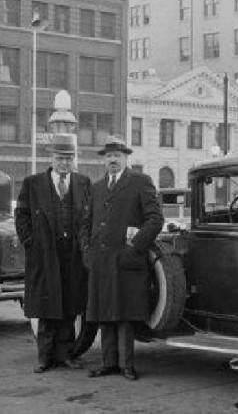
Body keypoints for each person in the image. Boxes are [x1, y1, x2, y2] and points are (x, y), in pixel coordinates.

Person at [80, 135, 163, 381]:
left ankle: (127, 365)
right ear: (103, 161)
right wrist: (86, 250)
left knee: (125, 314)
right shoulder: (96, 188)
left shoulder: (140, 182)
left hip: (128, 260)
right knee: (105, 312)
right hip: (101, 262)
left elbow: (155, 219)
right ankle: (109, 364)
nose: (112, 160)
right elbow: (85, 223)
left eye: (117, 155)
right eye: (108, 156)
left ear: (126, 158)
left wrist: (135, 247)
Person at [14, 134, 91, 373]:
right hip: (45, 256)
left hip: (73, 257)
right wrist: (31, 244)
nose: (65, 163)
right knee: (47, 309)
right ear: (52, 158)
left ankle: (66, 354)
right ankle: (45, 358)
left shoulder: (83, 182)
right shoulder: (33, 183)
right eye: (60, 158)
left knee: (69, 307)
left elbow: (89, 217)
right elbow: (22, 216)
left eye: (69, 158)